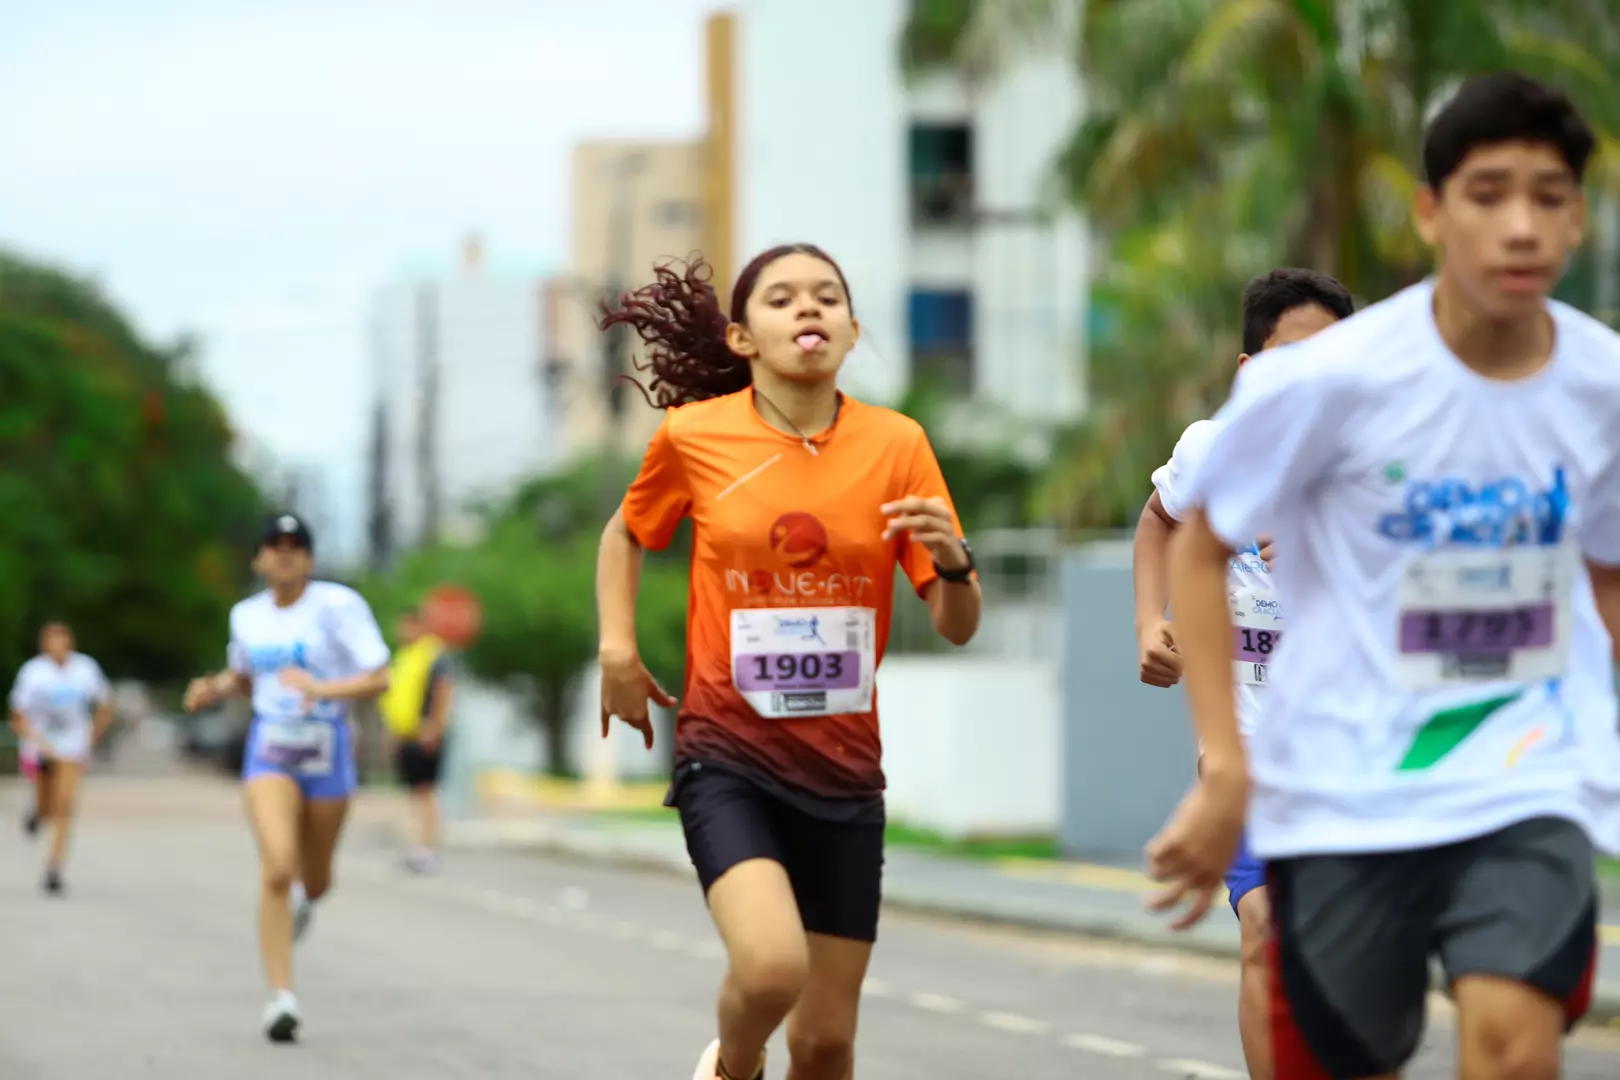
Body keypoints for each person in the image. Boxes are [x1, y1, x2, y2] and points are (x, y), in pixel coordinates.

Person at [1151, 71, 1620, 1080]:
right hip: (1346, 788)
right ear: (1431, 212)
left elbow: (1608, 570)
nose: (1522, 226)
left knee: (1515, 1044)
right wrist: (1225, 765)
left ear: (1578, 219)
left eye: (1549, 197)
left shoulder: (1603, 387)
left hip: (1523, 778)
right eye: (1488, 195)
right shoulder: (1334, 378)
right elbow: (1197, 538)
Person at [594, 243, 981, 1080]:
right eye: (782, 298)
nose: (809, 308)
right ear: (742, 338)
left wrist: (954, 562)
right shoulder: (694, 436)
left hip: (845, 771)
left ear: (852, 329)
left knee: (826, 1042)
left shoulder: (897, 444)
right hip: (726, 755)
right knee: (772, 968)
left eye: (827, 296)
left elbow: (956, 624)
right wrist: (617, 649)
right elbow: (627, 532)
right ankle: (733, 1066)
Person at [1133, 268, 1353, 1080]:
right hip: (1249, 749)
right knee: (1264, 931)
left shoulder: (1381, 462)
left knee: (1341, 956)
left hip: (1355, 754)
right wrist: (1148, 621)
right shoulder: (1212, 447)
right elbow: (1159, 521)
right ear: (1249, 368)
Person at [182, 512, 391, 1043]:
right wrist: (213, 689)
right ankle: (281, 998)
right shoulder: (247, 616)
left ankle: (306, 897)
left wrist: (323, 690)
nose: (285, 553)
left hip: (327, 750)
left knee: (316, 880)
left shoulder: (338, 606)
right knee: (277, 866)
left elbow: (379, 678)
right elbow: (244, 675)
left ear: (310, 559)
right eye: (274, 545)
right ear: (259, 559)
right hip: (270, 750)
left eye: (296, 545)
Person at [7, 621, 114, 894]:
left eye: (62, 639)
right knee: (47, 804)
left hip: (72, 745)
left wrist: (94, 732)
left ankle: (54, 867)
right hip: (40, 745)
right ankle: (38, 814)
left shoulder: (85, 669)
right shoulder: (33, 672)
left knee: (64, 804)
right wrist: (34, 739)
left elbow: (105, 703)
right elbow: (17, 714)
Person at [379, 607, 454, 873]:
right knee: (415, 793)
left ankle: (429, 848)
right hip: (405, 734)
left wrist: (434, 726)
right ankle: (419, 846)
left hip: (425, 734)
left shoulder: (434, 655)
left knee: (426, 791)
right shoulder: (404, 656)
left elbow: (443, 690)